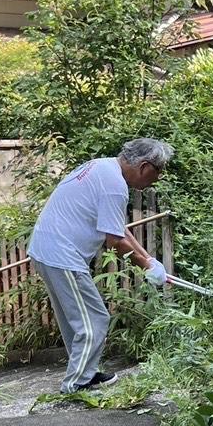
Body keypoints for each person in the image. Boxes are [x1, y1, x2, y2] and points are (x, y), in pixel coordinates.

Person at [27, 138, 173, 394]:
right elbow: (115, 241)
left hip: (48, 250)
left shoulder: (102, 167)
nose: (157, 179)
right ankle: (76, 384)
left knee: (77, 321)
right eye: (158, 171)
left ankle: (86, 372)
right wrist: (146, 268)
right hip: (62, 255)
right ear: (145, 166)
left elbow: (118, 229)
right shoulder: (115, 185)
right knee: (94, 319)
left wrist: (149, 260)